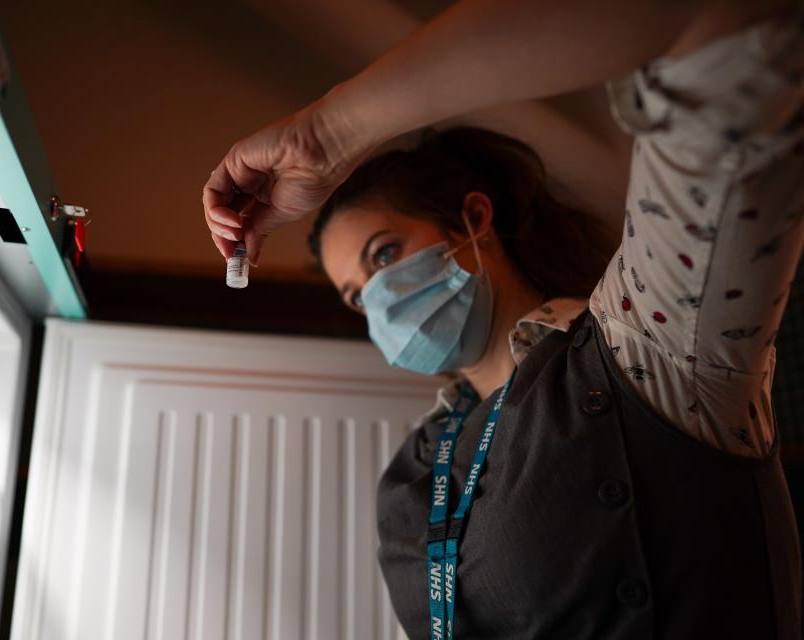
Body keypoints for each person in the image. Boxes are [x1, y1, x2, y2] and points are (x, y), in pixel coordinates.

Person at [202, 1, 804, 637]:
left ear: (474, 220)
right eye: (356, 295)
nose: (376, 299)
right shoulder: (413, 475)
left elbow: (732, 23)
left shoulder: (650, 350)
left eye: (384, 255)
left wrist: (326, 137)